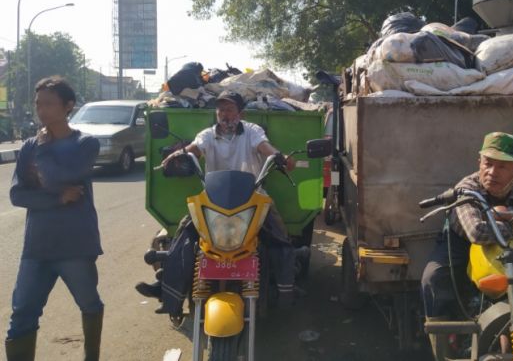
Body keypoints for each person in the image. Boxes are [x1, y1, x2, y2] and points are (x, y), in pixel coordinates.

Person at [135, 90, 302, 310]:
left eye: (230, 109)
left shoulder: (252, 131)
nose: (225, 114)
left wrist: (279, 157)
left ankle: (285, 291)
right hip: (214, 201)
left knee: (279, 238)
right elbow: (196, 148)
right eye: (221, 109)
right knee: (184, 236)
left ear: (240, 113)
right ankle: (168, 288)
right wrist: (180, 155)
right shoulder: (207, 134)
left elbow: (266, 148)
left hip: (254, 198)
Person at [420, 132, 513, 356]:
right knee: (433, 277)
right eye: (488, 163)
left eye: (502, 166)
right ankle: (442, 347)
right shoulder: (467, 187)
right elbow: (476, 232)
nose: (492, 172)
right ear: (478, 163)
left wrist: (510, 215)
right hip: (461, 242)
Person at [6, 76, 103, 361]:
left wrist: (45, 154)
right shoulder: (28, 147)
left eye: (49, 103)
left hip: (75, 246)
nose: (41, 110)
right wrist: (58, 198)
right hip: (36, 248)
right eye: (38, 103)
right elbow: (17, 195)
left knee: (89, 304)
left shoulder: (86, 144)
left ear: (68, 106)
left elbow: (65, 175)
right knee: (22, 312)